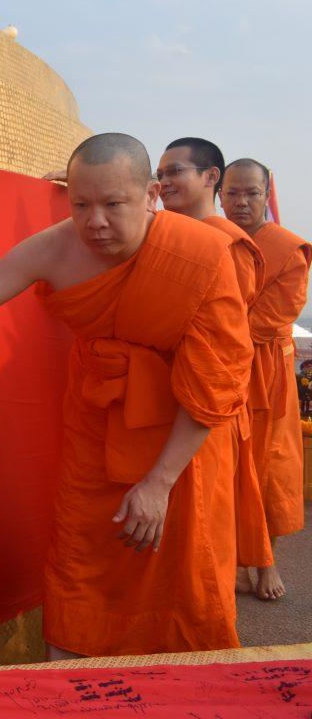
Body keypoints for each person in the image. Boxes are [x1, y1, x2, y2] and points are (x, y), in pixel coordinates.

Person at [0, 133, 251, 659]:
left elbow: (218, 382)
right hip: (97, 425)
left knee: (182, 561)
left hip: (182, 440)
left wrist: (159, 482)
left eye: (113, 204)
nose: (95, 221)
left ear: (151, 195)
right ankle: (70, 682)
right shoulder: (56, 248)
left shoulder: (203, 256)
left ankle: (188, 680)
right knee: (81, 552)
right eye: (81, 204)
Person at [154, 138, 272, 591]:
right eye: (159, 174)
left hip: (203, 400)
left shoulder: (229, 245)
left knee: (201, 524)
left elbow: (225, 337)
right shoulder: (162, 231)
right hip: (157, 399)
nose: (164, 183)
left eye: (175, 172)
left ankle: (203, 624)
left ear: (210, 178)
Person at [223, 157, 311, 601]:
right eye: (232, 192)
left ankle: (266, 561)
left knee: (268, 469)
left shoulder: (288, 249)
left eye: (251, 193)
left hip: (265, 372)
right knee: (227, 467)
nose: (241, 202)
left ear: (265, 195)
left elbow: (270, 318)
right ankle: (231, 558)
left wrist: (209, 323)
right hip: (219, 364)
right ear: (218, 192)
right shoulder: (211, 237)